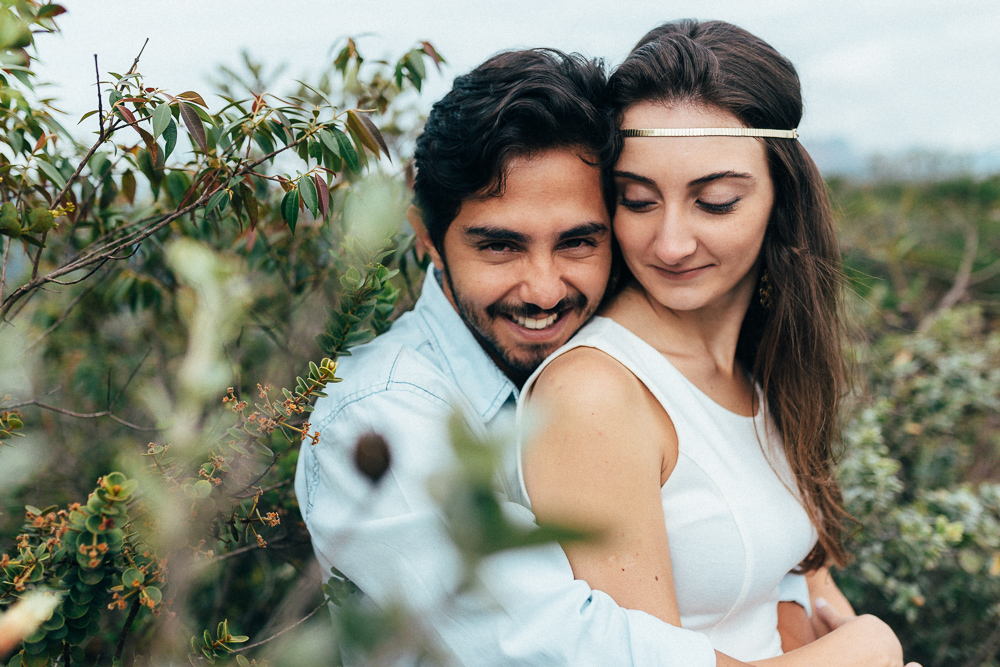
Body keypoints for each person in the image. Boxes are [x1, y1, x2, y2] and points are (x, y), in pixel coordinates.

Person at [507, 19, 919, 667]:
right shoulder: (595, 396)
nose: (670, 243)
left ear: (781, 195)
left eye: (717, 202)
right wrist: (869, 648)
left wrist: (815, 596)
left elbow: (781, 583)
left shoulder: (759, 362)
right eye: (638, 200)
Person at [295, 48, 725, 665]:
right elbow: (554, 649)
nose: (544, 290)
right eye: (501, 247)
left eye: (578, 242)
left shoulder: (634, 361)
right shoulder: (377, 419)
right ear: (428, 240)